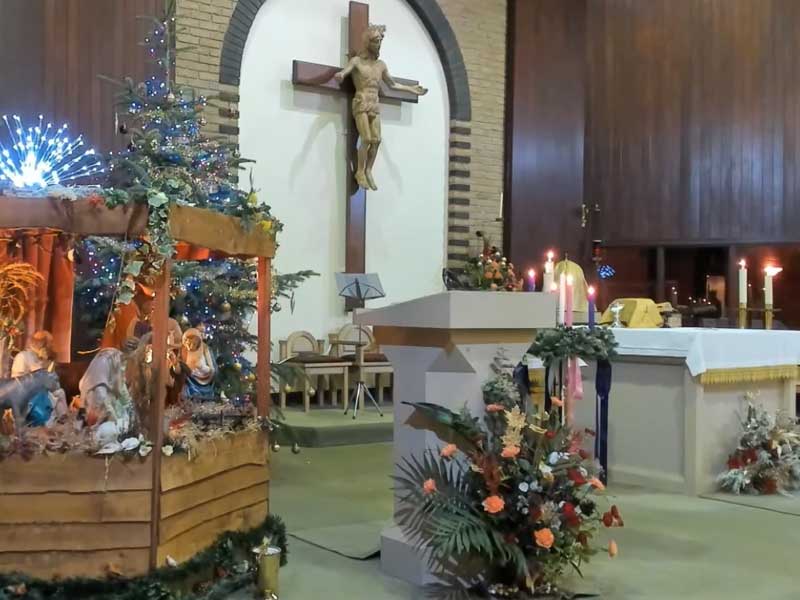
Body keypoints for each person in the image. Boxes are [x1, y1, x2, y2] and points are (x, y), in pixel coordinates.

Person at [334, 24, 428, 191]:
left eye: (380, 41)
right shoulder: (356, 61)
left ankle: (369, 170)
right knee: (367, 138)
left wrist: (412, 89)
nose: (379, 45)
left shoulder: (381, 65)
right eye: (376, 41)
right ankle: (360, 172)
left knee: (377, 140)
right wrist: (341, 75)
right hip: (361, 102)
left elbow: (392, 84)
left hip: (374, 103)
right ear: (368, 42)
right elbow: (345, 72)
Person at [11, 330, 67, 426]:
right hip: (28, 398)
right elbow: (17, 383)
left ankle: (63, 424)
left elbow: (54, 384)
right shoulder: (23, 357)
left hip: (45, 395)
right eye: (48, 343)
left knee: (60, 393)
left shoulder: (46, 360)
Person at [181, 328, 217, 401]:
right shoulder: (184, 351)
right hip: (190, 378)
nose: (190, 346)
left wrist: (203, 368)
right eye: (188, 344)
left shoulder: (205, 349)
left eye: (194, 344)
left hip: (204, 378)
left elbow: (212, 368)